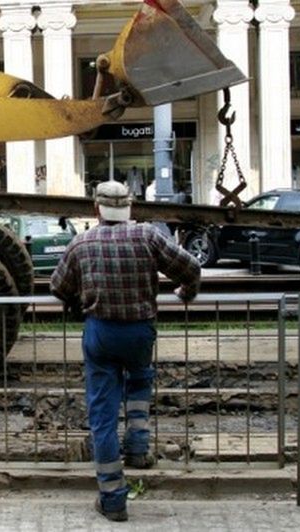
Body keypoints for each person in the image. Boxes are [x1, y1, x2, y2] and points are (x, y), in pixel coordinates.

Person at [49, 181, 200, 522]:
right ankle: (137, 446)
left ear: (96, 209)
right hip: (139, 331)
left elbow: (58, 287)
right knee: (140, 380)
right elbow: (190, 268)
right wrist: (187, 292)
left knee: (102, 413)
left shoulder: (82, 242)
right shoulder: (147, 236)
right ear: (130, 208)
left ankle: (113, 498)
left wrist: (78, 302)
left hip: (101, 332)